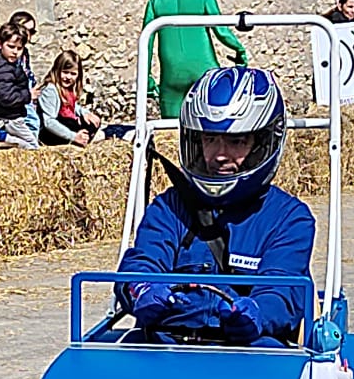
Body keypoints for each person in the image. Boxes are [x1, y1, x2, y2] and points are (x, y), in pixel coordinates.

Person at [117, 65, 315, 343]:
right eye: (210, 139)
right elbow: (143, 261)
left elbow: (281, 289)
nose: (220, 155)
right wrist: (142, 288)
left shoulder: (290, 218)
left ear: (263, 144)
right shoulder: (169, 208)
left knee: (269, 354)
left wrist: (257, 312)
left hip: (250, 347)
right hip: (168, 344)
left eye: (236, 141)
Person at [142, 0, 249, 119]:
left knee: (172, 131)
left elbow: (146, 41)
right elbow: (221, 31)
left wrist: (146, 77)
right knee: (213, 121)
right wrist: (240, 51)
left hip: (171, 75)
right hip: (203, 71)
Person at [37, 49, 102, 145]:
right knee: (70, 123)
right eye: (65, 72)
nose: (68, 77)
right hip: (49, 131)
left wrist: (86, 113)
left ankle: (85, 137)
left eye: (73, 74)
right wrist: (73, 136)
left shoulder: (67, 88)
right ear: (57, 71)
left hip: (66, 123)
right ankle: (79, 138)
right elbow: (49, 122)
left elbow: (72, 106)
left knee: (92, 120)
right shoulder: (50, 90)